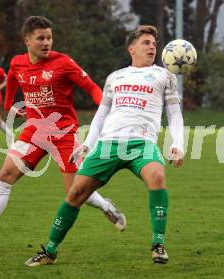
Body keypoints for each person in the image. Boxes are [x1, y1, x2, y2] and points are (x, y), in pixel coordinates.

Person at [0, 16, 126, 250]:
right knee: (5, 174)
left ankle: (107, 207)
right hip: (34, 132)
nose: (46, 42)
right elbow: (12, 79)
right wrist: (10, 104)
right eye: (41, 38)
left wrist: (107, 108)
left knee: (74, 192)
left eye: (49, 37)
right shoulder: (18, 63)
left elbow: (91, 87)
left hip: (64, 134)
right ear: (27, 40)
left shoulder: (64, 62)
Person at [25, 25, 184, 266]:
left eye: (154, 43)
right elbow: (101, 115)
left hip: (142, 143)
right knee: (76, 193)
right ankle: (50, 250)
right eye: (146, 42)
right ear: (132, 48)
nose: (152, 46)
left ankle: (158, 244)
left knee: (157, 176)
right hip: (108, 144)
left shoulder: (165, 76)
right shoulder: (115, 77)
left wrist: (178, 144)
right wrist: (88, 144)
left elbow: (174, 114)